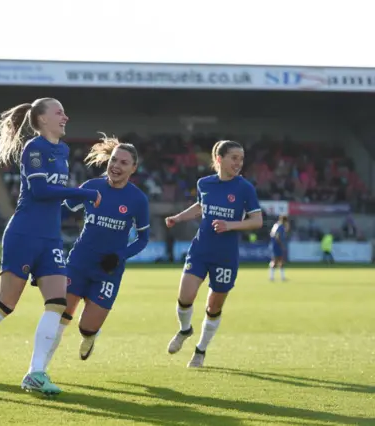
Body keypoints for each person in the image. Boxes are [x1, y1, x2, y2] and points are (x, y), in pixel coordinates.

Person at [0, 98, 101, 396]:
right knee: (7, 303)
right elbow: (41, 189)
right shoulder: (35, 149)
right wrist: (80, 193)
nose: (66, 117)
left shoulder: (62, 150)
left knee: (57, 304)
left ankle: (35, 372)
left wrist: (76, 198)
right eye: (59, 112)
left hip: (50, 239)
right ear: (42, 119)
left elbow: (57, 194)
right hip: (23, 234)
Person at [40, 135, 149, 368]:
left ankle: (91, 336)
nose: (116, 166)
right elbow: (62, 212)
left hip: (108, 270)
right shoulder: (91, 187)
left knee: (86, 327)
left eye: (123, 163)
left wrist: (120, 256)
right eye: (114, 160)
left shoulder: (138, 200)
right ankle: (40, 369)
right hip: (79, 262)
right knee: (60, 314)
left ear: (133, 168)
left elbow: (143, 239)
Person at [165, 140, 263, 368]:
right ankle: (184, 330)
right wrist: (178, 218)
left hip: (225, 256)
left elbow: (256, 220)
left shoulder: (245, 188)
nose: (238, 163)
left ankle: (200, 350)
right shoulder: (204, 183)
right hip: (200, 249)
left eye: (241, 158)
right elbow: (201, 207)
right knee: (185, 297)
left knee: (214, 306)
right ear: (219, 159)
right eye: (234, 158)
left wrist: (230, 225)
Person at [269, 215, 289, 281]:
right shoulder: (280, 226)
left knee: (280, 261)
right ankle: (272, 277)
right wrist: (281, 244)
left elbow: (272, 234)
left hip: (274, 245)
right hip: (277, 245)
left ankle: (282, 277)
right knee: (276, 260)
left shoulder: (276, 225)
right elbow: (277, 236)